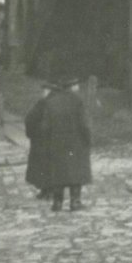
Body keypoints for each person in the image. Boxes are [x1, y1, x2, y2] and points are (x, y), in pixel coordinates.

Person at [41, 77, 92, 212]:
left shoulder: (51, 102)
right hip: (76, 143)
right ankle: (75, 202)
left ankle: (57, 203)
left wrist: (48, 142)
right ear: (72, 87)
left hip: (56, 143)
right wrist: (87, 140)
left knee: (58, 172)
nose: (78, 88)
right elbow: (84, 125)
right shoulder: (78, 100)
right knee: (76, 171)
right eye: (76, 85)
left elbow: (45, 127)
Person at [24, 81, 57, 199]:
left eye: (44, 90)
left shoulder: (42, 103)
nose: (43, 92)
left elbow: (30, 119)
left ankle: (46, 190)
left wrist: (31, 134)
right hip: (54, 139)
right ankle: (49, 190)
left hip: (41, 139)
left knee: (42, 165)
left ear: (48, 91)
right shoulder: (58, 103)